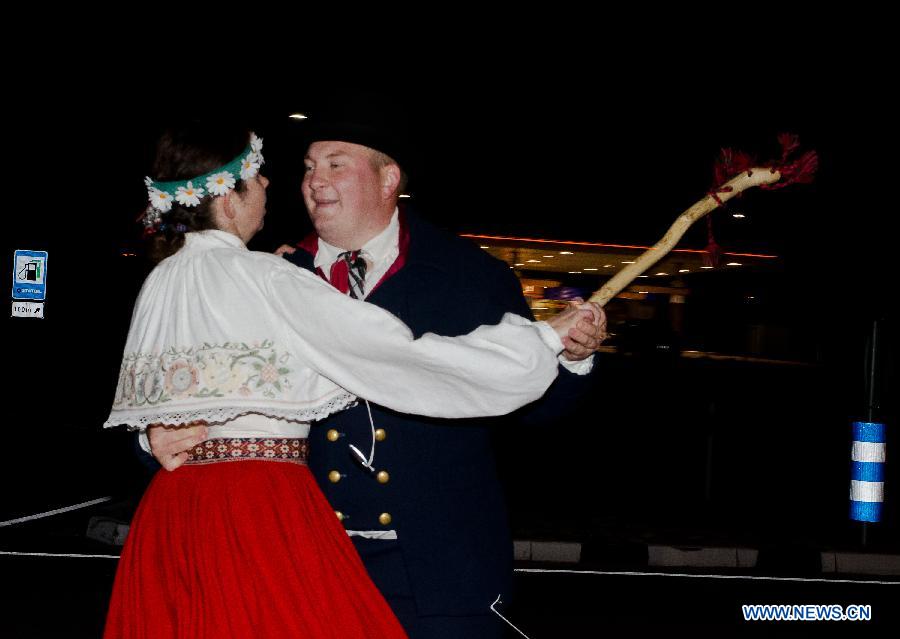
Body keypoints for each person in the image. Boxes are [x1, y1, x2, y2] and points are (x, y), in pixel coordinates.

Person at [104, 122, 598, 638]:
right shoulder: (274, 274)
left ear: (389, 179)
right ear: (227, 200)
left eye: (335, 163)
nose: (296, 181)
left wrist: (569, 357)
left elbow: (173, 390)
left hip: (188, 525)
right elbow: (400, 360)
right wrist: (539, 341)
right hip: (280, 531)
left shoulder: (161, 281)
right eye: (301, 168)